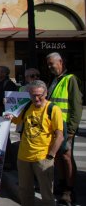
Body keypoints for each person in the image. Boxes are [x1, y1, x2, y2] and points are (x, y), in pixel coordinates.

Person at [4, 80, 63, 206]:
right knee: (24, 191)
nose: (36, 99)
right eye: (33, 95)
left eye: (39, 95)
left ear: (46, 93)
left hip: (43, 157)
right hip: (23, 157)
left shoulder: (53, 109)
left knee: (46, 194)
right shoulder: (26, 106)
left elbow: (59, 136)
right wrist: (8, 113)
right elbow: (15, 120)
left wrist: (51, 156)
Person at [46, 52, 83, 205]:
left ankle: (69, 190)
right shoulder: (56, 80)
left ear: (60, 62)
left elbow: (76, 106)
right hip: (54, 126)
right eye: (48, 64)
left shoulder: (70, 79)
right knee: (59, 157)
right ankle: (62, 183)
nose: (49, 67)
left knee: (67, 157)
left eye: (51, 64)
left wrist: (72, 130)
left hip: (66, 127)